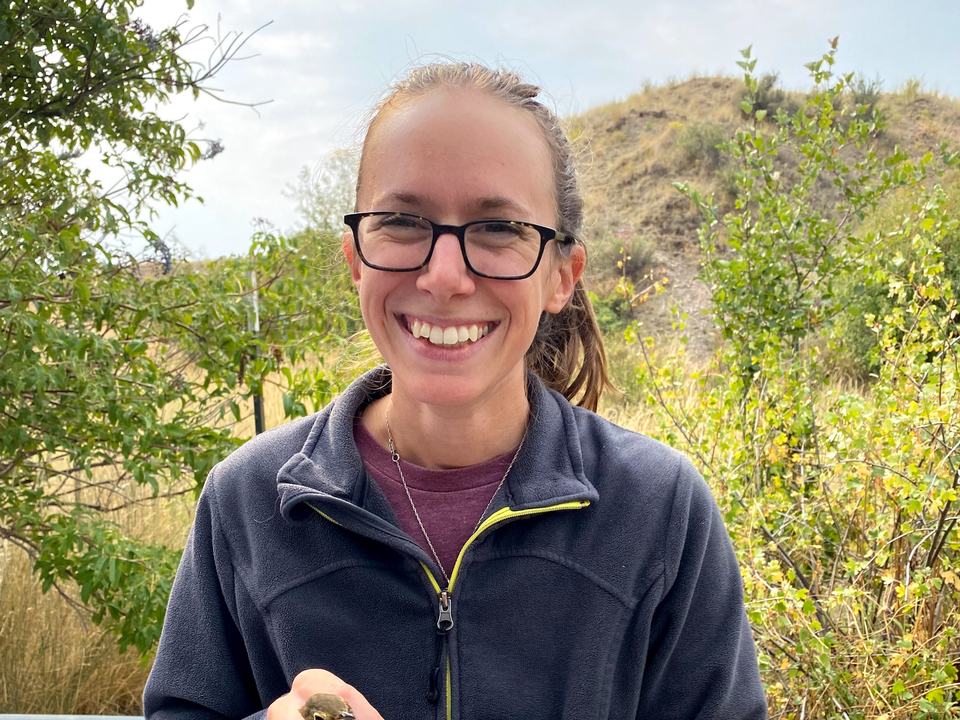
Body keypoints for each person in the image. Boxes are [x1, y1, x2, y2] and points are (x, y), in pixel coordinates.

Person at [143, 62, 768, 720]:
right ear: (356, 259)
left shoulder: (660, 511)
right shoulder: (249, 502)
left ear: (562, 275)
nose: (445, 277)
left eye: (498, 229)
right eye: (403, 222)